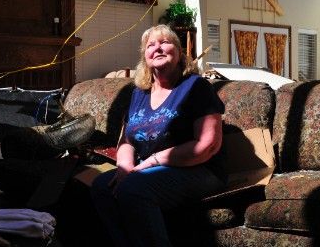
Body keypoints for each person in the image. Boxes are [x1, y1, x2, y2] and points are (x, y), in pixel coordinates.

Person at [90, 24, 227, 247]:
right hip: (150, 169)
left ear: (179, 53)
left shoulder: (196, 87)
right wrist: (124, 167)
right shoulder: (139, 93)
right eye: (151, 45)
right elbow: (126, 140)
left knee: (134, 189)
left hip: (199, 169)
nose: (158, 48)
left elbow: (207, 146)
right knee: (102, 187)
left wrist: (147, 164)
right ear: (145, 57)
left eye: (165, 42)